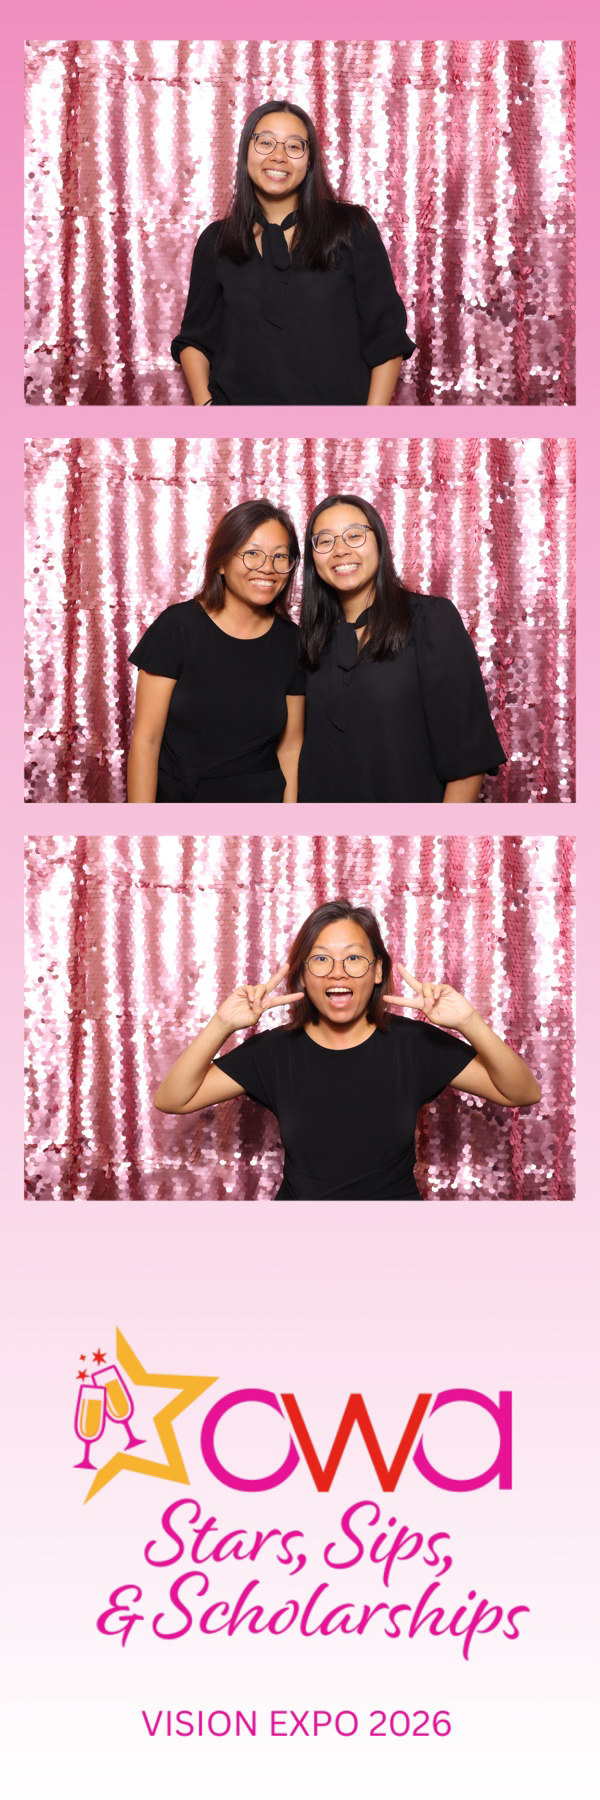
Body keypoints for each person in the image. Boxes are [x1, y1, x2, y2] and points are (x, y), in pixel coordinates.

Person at [154, 899, 541, 1199]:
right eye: (321, 959)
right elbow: (173, 1099)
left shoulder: (414, 1044)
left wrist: (469, 1021)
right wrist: (222, 1024)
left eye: (354, 958)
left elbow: (521, 1092)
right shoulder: (274, 1051)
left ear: (377, 971)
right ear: (302, 975)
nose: (337, 971)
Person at [171, 99, 415, 405]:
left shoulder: (352, 228)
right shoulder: (216, 241)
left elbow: (386, 337)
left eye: (294, 146)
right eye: (266, 142)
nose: (278, 156)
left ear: (309, 160)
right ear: (246, 151)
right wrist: (206, 407)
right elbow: (195, 339)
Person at [297, 495, 507, 803]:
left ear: (379, 542)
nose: (340, 549)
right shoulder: (311, 639)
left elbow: (467, 760)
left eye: (354, 535)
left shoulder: (430, 619)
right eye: (325, 541)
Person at [127, 500, 305, 802]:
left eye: (280, 556)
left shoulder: (293, 642)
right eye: (252, 553)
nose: (267, 567)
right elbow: (147, 741)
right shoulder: (177, 627)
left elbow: (290, 748)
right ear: (221, 562)